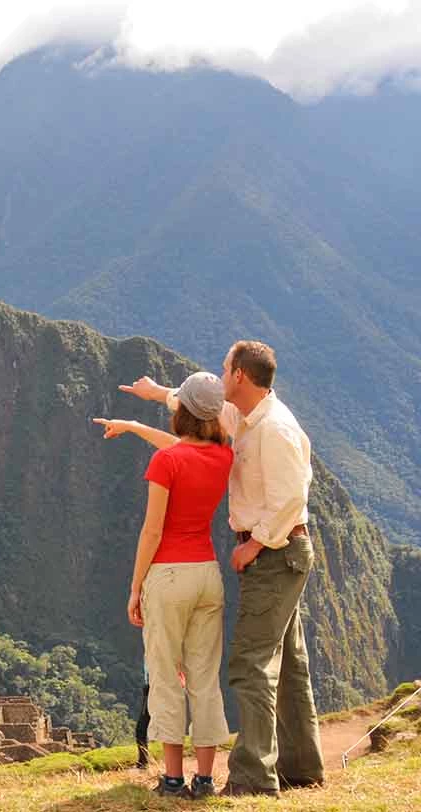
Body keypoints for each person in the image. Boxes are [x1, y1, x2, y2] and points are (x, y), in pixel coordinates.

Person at [120, 341, 324, 797]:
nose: (221, 373)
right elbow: (200, 408)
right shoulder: (240, 423)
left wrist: (254, 545)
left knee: (250, 665)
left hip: (276, 552)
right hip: (225, 568)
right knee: (288, 664)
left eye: (225, 367)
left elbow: (293, 497)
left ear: (241, 377)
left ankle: (253, 777)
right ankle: (300, 767)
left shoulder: (274, 429)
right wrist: (157, 395)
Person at [94, 370, 231, 799]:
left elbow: (152, 531)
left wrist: (136, 588)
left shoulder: (167, 463)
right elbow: (182, 448)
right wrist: (136, 427)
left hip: (168, 576)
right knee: (205, 677)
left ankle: (172, 778)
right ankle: (205, 779)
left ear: (182, 410)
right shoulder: (224, 456)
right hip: (208, 574)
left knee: (168, 676)